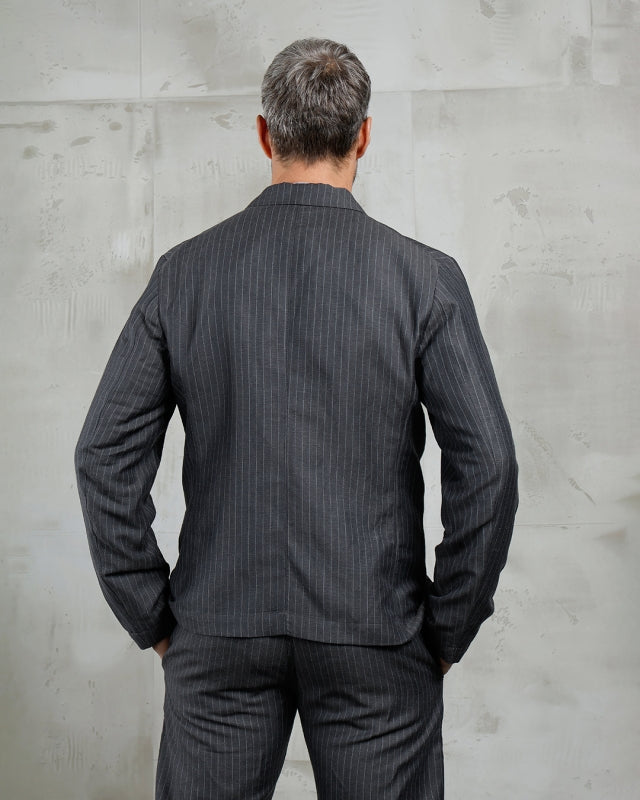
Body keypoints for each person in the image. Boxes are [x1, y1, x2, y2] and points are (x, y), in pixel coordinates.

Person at [75, 37, 518, 800]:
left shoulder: (186, 274)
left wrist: (152, 614)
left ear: (264, 134)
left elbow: (101, 456)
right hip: (376, 633)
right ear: (363, 137)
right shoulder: (423, 280)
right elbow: (491, 465)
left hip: (219, 624)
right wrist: (450, 624)